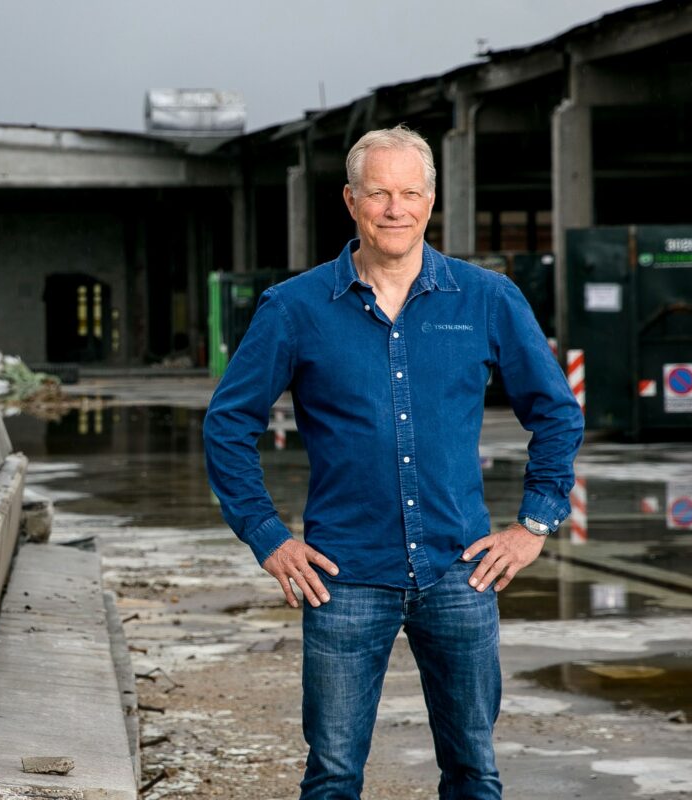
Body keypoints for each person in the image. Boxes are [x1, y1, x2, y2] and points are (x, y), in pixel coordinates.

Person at [203, 126, 583, 799]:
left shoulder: (488, 300)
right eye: (378, 193)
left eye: (410, 193)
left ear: (431, 201)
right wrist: (268, 537)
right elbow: (229, 425)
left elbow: (556, 412)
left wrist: (535, 524)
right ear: (351, 201)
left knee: (473, 771)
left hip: (460, 572)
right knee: (332, 776)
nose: (395, 208)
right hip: (343, 577)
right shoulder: (294, 308)